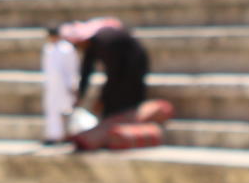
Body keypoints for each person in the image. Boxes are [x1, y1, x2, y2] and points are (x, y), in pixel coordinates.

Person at [63, 17, 173, 150]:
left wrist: (102, 98)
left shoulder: (104, 41)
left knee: (123, 94)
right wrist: (80, 96)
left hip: (134, 63)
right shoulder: (92, 46)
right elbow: (86, 72)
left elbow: (114, 74)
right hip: (122, 65)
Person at [41, 25, 81, 144]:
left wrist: (73, 84)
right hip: (52, 85)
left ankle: (68, 135)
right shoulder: (48, 49)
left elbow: (71, 69)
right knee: (52, 111)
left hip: (64, 86)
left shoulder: (67, 49)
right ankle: (53, 135)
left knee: (66, 110)